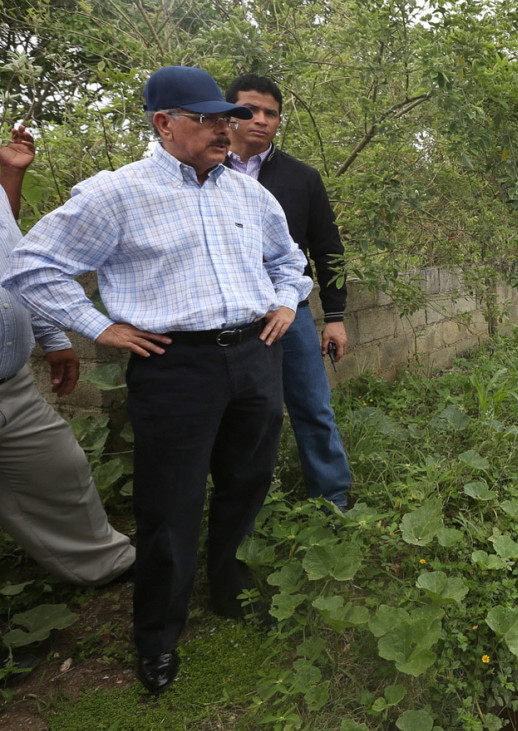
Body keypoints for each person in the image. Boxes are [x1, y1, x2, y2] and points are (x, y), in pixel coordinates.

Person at [1, 66, 312, 695]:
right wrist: (99, 327)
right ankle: (158, 637)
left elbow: (288, 260)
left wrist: (286, 300)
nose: (228, 129)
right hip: (175, 365)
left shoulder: (249, 193)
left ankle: (227, 585)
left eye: (229, 117)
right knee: (169, 504)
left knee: (247, 480)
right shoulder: (117, 193)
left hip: (254, 353)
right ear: (163, 123)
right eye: (208, 119)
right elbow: (32, 264)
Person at [0, 125, 135, 588]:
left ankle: (107, 567)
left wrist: (52, 338)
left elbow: (12, 260)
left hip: (11, 382)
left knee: (59, 466)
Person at [224, 74, 352, 510]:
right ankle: (246, 504)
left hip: (289, 310)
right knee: (241, 417)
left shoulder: (301, 178)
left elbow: (328, 250)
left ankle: (333, 498)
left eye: (271, 113)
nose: (260, 120)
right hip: (225, 314)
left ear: (279, 121)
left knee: (313, 406)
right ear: (228, 114)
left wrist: (334, 316)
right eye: (249, 110)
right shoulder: (201, 170)